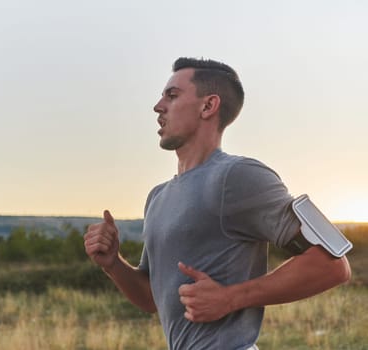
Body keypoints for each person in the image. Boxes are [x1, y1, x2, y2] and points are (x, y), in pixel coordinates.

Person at [83, 57, 351, 350]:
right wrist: (113, 264)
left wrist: (230, 297)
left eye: (172, 96)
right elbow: (151, 298)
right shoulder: (157, 197)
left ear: (208, 106)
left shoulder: (238, 176)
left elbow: (333, 265)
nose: (158, 106)